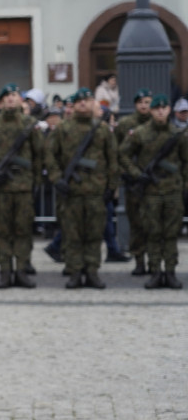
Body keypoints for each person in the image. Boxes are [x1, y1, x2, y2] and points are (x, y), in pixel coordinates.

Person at [45, 87, 118, 290]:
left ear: (93, 103)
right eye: (79, 101)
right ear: (74, 105)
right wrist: (57, 179)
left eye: (87, 100)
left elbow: (113, 159)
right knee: (72, 235)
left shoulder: (102, 130)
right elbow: (50, 156)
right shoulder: (63, 129)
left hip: (96, 192)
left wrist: (111, 187)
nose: (83, 104)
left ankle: (92, 272)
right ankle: (75, 272)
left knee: (94, 234)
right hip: (71, 192)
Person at [118, 94, 187, 289]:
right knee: (153, 233)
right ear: (152, 111)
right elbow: (123, 154)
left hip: (173, 190)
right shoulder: (140, 133)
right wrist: (136, 174)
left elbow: (186, 161)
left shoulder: (177, 134)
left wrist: (184, 186)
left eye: (164, 109)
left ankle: (171, 272)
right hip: (150, 191)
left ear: (169, 111)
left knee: (171, 234)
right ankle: (155, 271)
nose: (160, 112)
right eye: (157, 108)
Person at [0, 84, 43, 289]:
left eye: (13, 95)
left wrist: (36, 181)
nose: (9, 99)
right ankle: (5, 271)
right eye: (5, 96)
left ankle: (22, 270)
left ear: (20, 99)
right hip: (2, 187)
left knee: (23, 231)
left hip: (23, 187)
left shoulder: (29, 124)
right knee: (4, 231)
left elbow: (39, 154)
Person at [115, 88, 153, 273]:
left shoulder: (159, 123)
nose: (144, 106)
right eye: (141, 102)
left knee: (154, 223)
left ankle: (155, 260)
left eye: (147, 102)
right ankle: (139, 260)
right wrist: (125, 172)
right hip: (133, 182)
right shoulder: (125, 124)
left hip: (155, 182)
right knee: (136, 222)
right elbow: (118, 151)